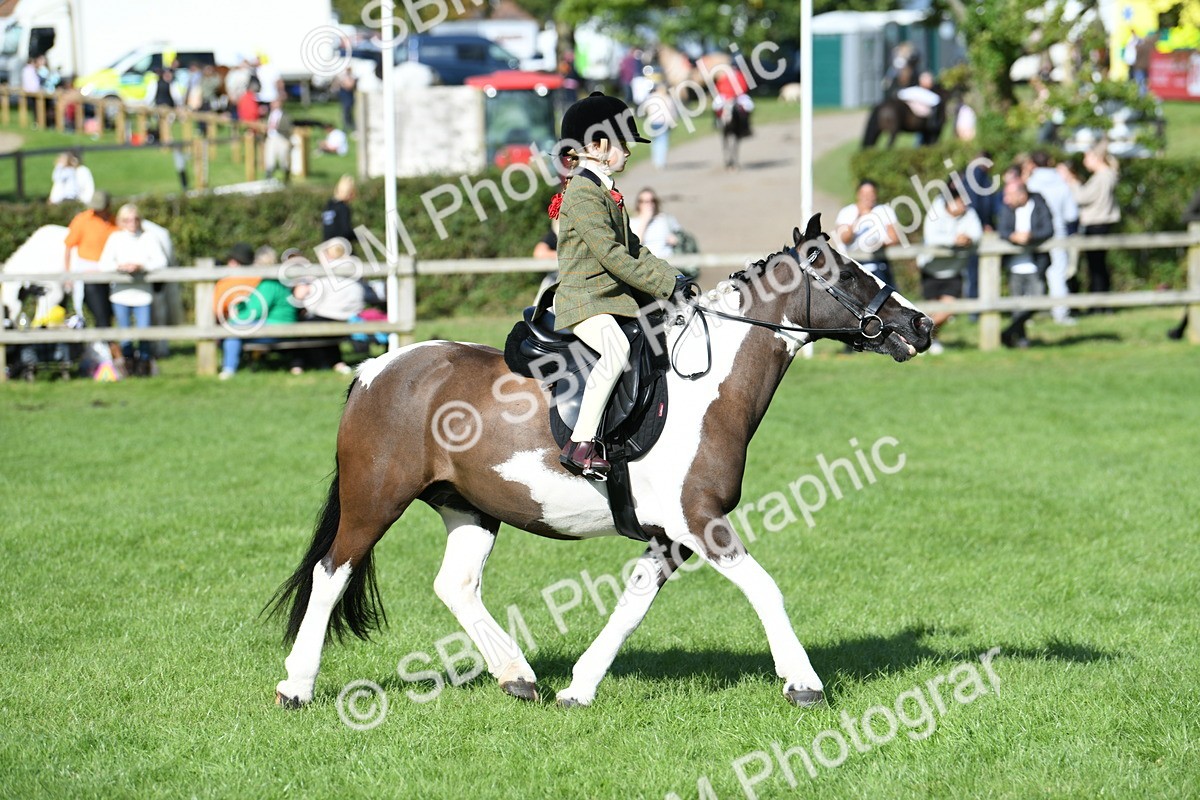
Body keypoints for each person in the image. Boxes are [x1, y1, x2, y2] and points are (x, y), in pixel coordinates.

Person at [552, 92, 683, 479]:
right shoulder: (582, 193)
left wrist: (674, 279)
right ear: (596, 147)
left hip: (607, 299)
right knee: (616, 349)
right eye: (623, 143)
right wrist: (664, 285)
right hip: (584, 300)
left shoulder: (605, 191)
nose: (628, 151)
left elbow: (635, 249)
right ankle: (581, 444)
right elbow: (611, 256)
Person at [99, 203, 168, 374]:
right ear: (122, 221)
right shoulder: (115, 238)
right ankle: (128, 367)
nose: (132, 223)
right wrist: (120, 267)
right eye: (127, 220)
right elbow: (104, 264)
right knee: (125, 334)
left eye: (135, 219)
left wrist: (141, 266)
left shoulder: (148, 238)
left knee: (143, 332)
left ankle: (144, 366)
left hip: (142, 294)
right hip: (120, 294)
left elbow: (161, 262)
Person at [919, 182, 983, 354]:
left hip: (954, 270)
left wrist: (968, 239)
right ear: (950, 202)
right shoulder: (935, 211)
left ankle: (920, 335)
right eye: (960, 202)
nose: (964, 206)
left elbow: (977, 233)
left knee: (949, 310)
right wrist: (954, 240)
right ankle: (929, 341)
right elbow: (931, 237)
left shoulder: (969, 213)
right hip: (931, 269)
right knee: (931, 310)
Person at [219, 246, 300, 379]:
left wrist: (231, 322)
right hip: (280, 324)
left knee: (233, 331)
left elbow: (255, 311)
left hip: (277, 327)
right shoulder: (277, 282)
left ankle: (228, 369)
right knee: (234, 329)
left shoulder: (268, 284)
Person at [1059, 144, 1120, 307]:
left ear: (1097, 158)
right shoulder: (1106, 175)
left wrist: (1072, 181)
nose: (1085, 161)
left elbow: (1082, 197)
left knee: (1096, 266)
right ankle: (1100, 303)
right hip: (1101, 223)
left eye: (1087, 157)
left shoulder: (1102, 176)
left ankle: (1098, 304)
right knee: (1098, 265)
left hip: (1096, 223)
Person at [996, 179, 1054, 348]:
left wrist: (1030, 237)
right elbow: (1002, 230)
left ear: (1021, 194)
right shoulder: (1007, 209)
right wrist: (1013, 237)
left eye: (1009, 195)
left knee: (1037, 301)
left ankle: (1008, 333)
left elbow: (1048, 229)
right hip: (1014, 266)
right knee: (1017, 307)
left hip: (1036, 264)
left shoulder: (1039, 206)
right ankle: (1021, 340)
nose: (1006, 199)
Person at [1024, 151, 1079, 325]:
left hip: (1033, 235)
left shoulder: (1030, 184)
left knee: (1031, 272)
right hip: (1058, 233)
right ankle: (1061, 314)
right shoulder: (1062, 184)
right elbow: (1072, 214)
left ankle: (1026, 316)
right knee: (1058, 274)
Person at [63, 190, 118, 327]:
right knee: (97, 311)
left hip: (110, 271)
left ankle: (107, 343)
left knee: (108, 311)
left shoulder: (114, 222)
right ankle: (107, 343)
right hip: (88, 273)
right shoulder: (83, 220)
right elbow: (69, 247)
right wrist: (68, 274)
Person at [836, 179, 899, 287]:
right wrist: (859, 216)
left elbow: (895, 238)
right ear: (858, 194)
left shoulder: (884, 210)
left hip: (879, 265)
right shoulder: (847, 212)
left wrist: (878, 244)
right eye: (865, 194)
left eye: (871, 193)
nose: (868, 197)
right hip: (854, 266)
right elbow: (845, 238)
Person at [630, 188, 681, 258]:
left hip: (669, 260)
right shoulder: (632, 222)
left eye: (653, 201)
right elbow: (635, 245)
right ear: (639, 204)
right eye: (646, 201)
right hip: (648, 262)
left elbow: (680, 237)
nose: (650, 204)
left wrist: (675, 239)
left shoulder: (665, 219)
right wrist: (645, 220)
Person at [263, 98, 292, 183]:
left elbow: (288, 127)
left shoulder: (285, 115)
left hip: (281, 138)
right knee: (270, 157)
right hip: (271, 138)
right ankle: (269, 176)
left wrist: (277, 127)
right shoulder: (269, 114)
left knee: (283, 158)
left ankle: (286, 177)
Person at [321, 175, 356, 245]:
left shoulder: (328, 206)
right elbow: (345, 231)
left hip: (326, 246)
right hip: (338, 246)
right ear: (349, 194)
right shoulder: (343, 208)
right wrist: (357, 235)